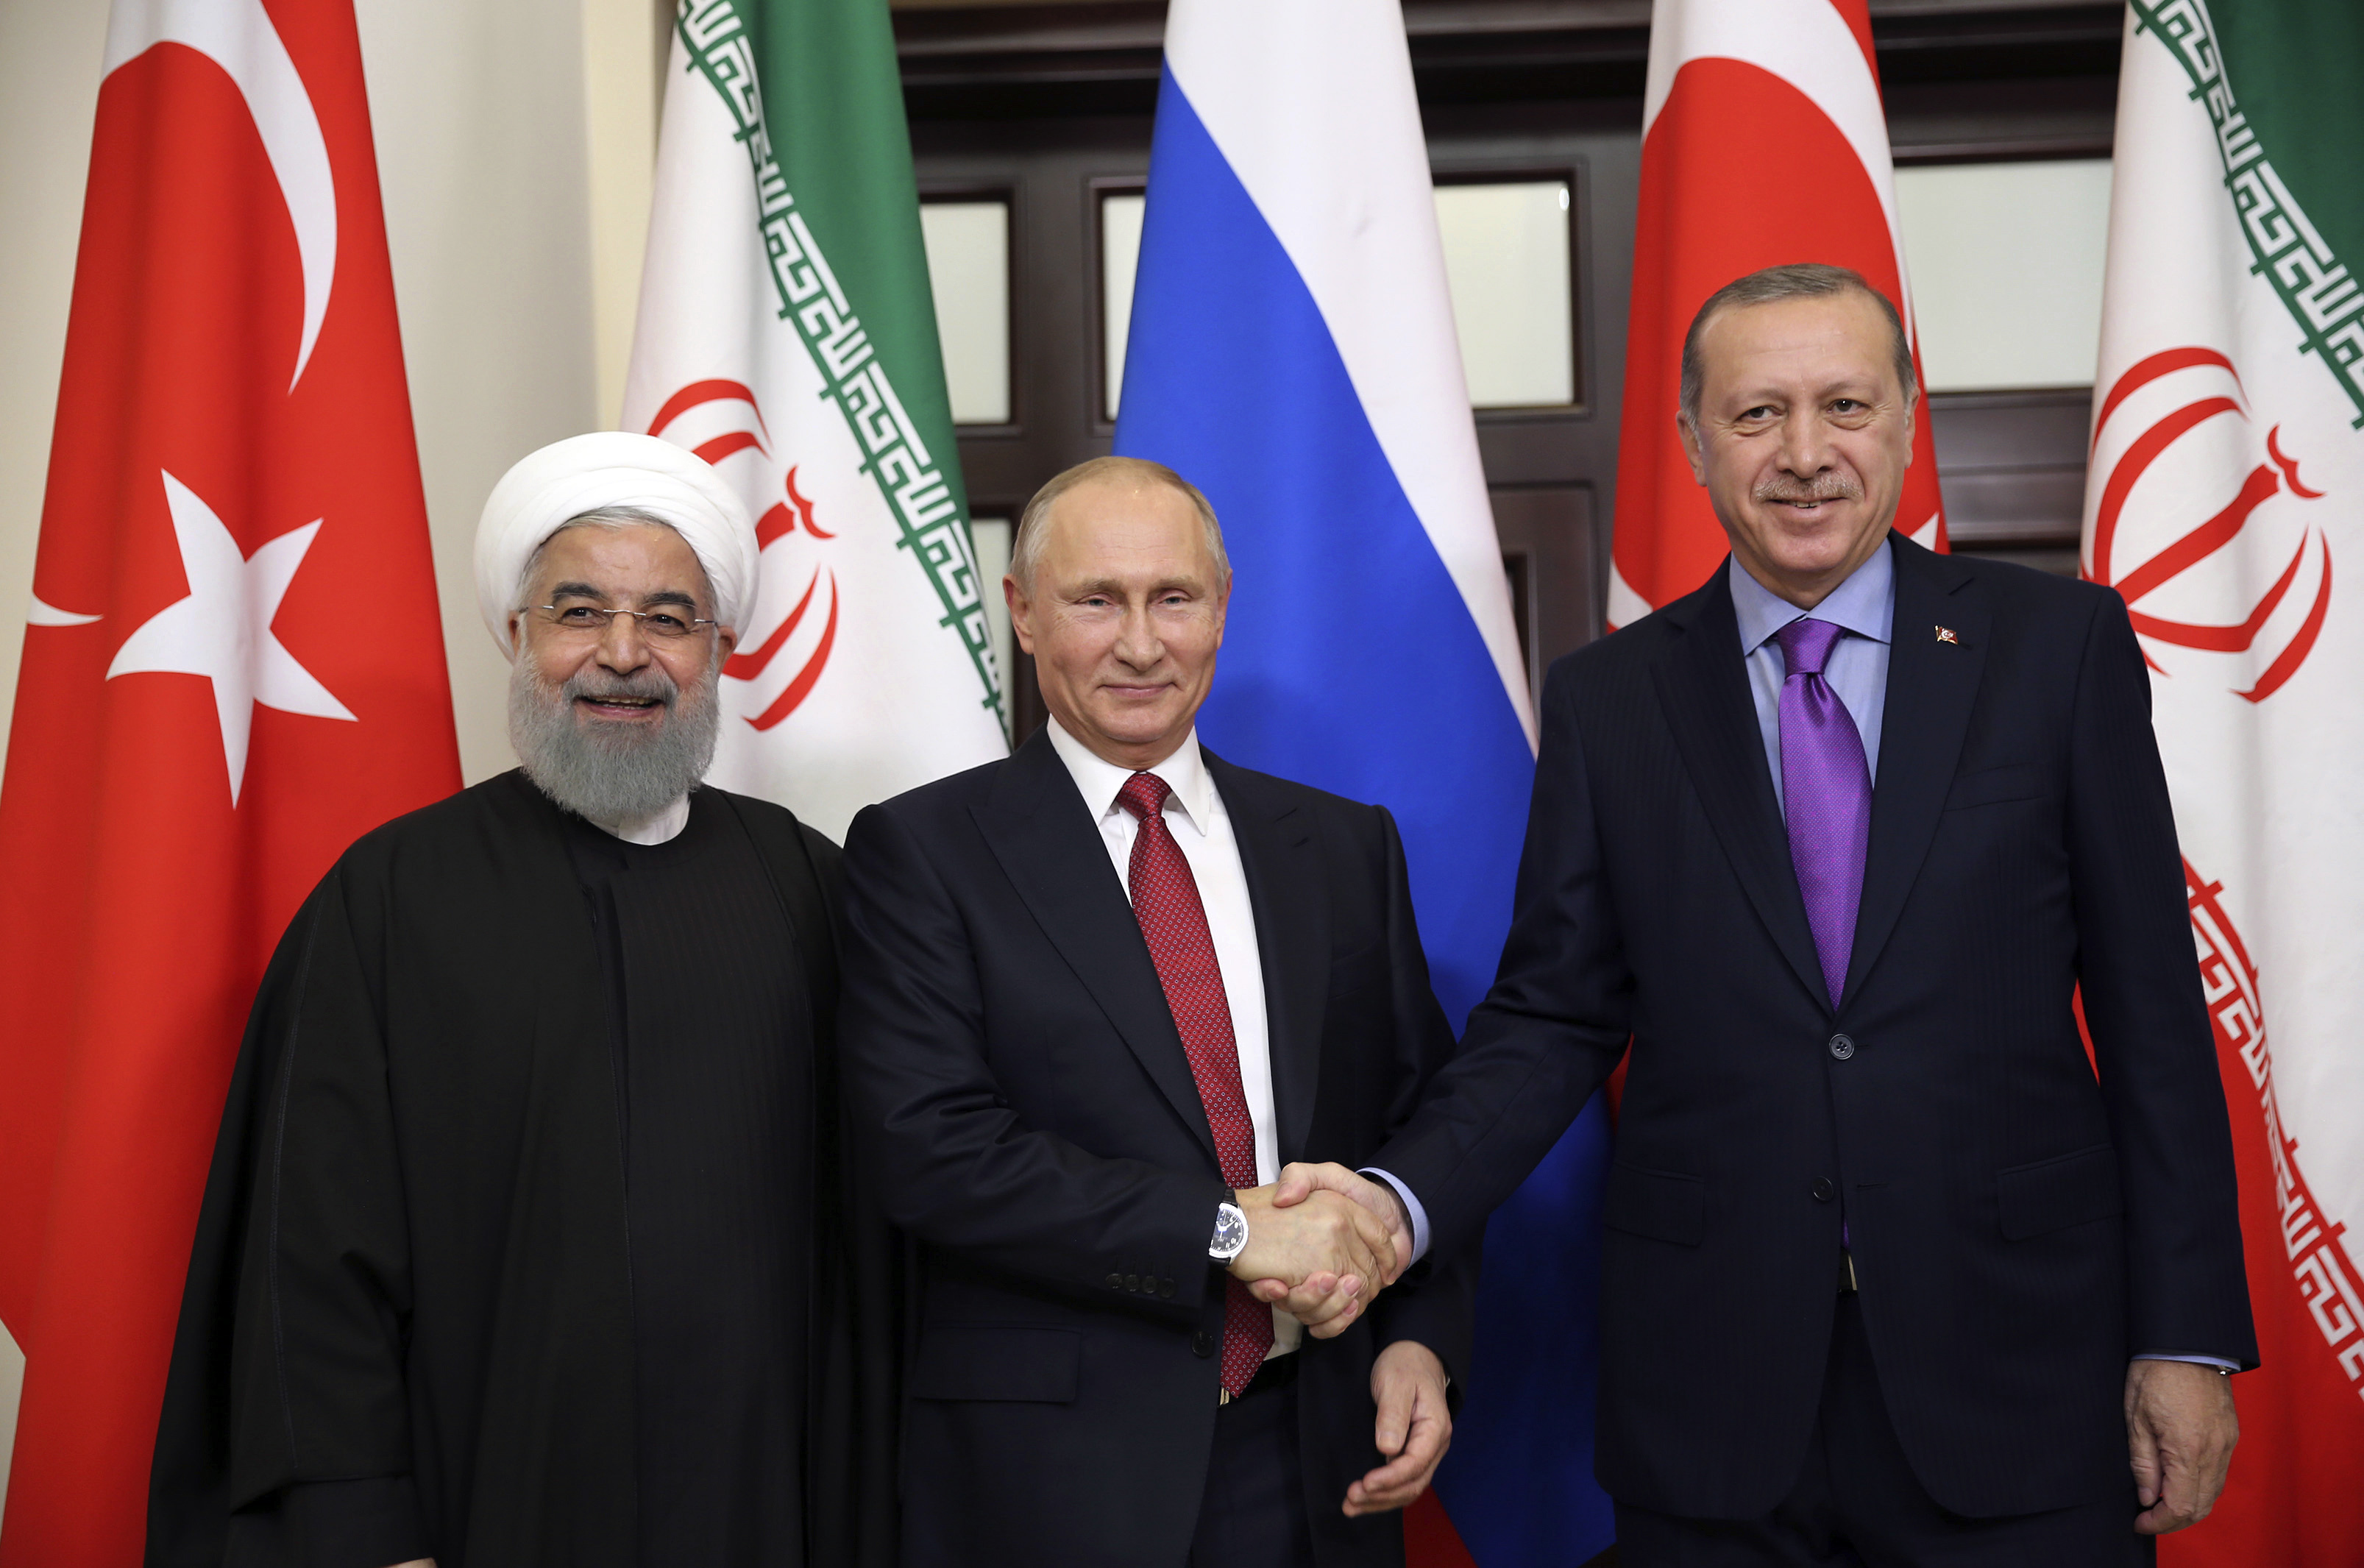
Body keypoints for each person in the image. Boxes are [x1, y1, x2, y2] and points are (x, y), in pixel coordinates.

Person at [1296, 263, 2257, 1564]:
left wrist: (2184, 1334)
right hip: (1715, 1390)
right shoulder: (1610, 700)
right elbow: (1551, 1019)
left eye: (1844, 406)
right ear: (1694, 443)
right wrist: (1391, 1202)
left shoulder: (2058, 650)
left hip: (2019, 1368)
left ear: (1906, 422)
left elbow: (2152, 1012)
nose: (1805, 454)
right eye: (1756, 416)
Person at [148, 433, 898, 1568]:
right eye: (579, 612)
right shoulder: (391, 900)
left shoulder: (807, 883)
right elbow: (312, 1262)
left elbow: (893, 1214)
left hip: (765, 1499)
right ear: (518, 635)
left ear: (720, 650)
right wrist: (369, 1534)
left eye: (667, 619)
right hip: (484, 1504)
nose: (623, 656)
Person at [836, 456, 1473, 1568]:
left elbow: (1415, 1127)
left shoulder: (1339, 848)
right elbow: (929, 1152)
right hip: (1056, 1484)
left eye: (1172, 598)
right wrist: (1225, 1230)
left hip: (1319, 1454)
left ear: (1220, 608)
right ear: (1024, 616)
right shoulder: (922, 852)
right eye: (1096, 601)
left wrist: (1416, 1337)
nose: (1141, 644)